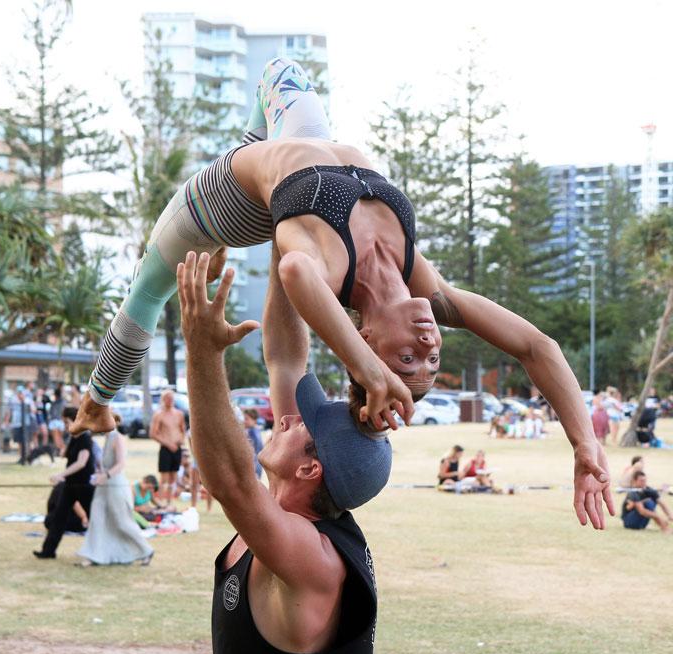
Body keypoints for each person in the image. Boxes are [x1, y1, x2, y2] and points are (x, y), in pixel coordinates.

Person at [75, 59, 614, 530]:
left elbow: (295, 276)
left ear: (367, 338)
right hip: (289, 149)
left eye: (408, 356)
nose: (430, 340)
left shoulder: (328, 271)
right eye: (433, 356)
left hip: (226, 204)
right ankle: (245, 181)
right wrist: (584, 445)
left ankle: (95, 403)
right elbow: (537, 347)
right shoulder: (419, 280)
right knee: (281, 70)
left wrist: (372, 372)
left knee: (148, 288)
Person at [178, 249, 390, 654]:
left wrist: (202, 348)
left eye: (302, 425)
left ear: (311, 469)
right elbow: (285, 359)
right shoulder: (296, 509)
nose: (287, 418)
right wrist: (285, 235)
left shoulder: (314, 559)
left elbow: (230, 481)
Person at [76, 415, 154, 567]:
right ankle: (95, 555)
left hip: (116, 486)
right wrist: (100, 472)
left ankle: (146, 550)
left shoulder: (117, 437)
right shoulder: (106, 439)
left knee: (122, 521)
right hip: (103, 487)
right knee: (97, 520)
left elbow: (120, 464)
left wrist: (105, 475)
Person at [33, 407, 96, 559]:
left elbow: (81, 463)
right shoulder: (74, 438)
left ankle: (100, 550)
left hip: (83, 486)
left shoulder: (85, 439)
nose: (65, 426)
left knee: (95, 519)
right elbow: (64, 454)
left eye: (67, 422)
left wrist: (61, 475)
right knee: (58, 517)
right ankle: (48, 551)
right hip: (70, 485)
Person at [149, 390, 187, 505]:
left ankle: (169, 502)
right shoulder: (159, 415)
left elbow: (182, 429)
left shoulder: (179, 414)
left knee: (173, 477)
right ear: (163, 400)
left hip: (177, 448)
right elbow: (153, 434)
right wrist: (168, 444)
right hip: (166, 448)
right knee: (164, 478)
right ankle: (160, 501)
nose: (170, 401)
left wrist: (181, 439)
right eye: (167, 399)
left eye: (172, 399)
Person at [242, 408, 264, 478]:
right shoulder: (257, 430)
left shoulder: (250, 432)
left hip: (252, 464)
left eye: (247, 419)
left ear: (254, 420)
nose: (244, 421)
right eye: (244, 418)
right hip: (258, 464)